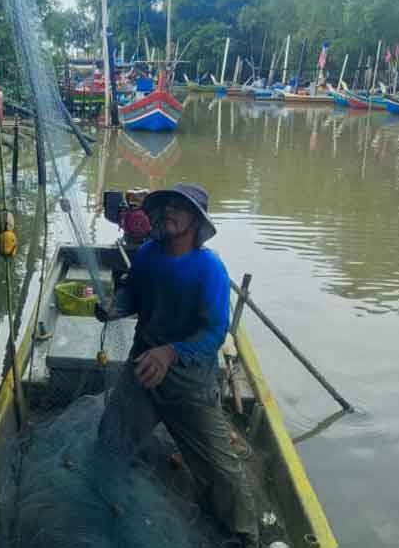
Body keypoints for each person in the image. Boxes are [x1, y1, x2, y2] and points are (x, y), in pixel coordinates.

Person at [95, 183, 259, 547]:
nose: (168, 211)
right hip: (142, 371)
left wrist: (170, 353)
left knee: (223, 475)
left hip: (189, 385)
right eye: (166, 205)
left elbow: (215, 332)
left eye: (179, 208)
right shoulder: (148, 254)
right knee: (109, 442)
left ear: (196, 223)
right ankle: (108, 505)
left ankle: (245, 536)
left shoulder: (209, 269)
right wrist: (115, 306)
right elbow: (132, 292)